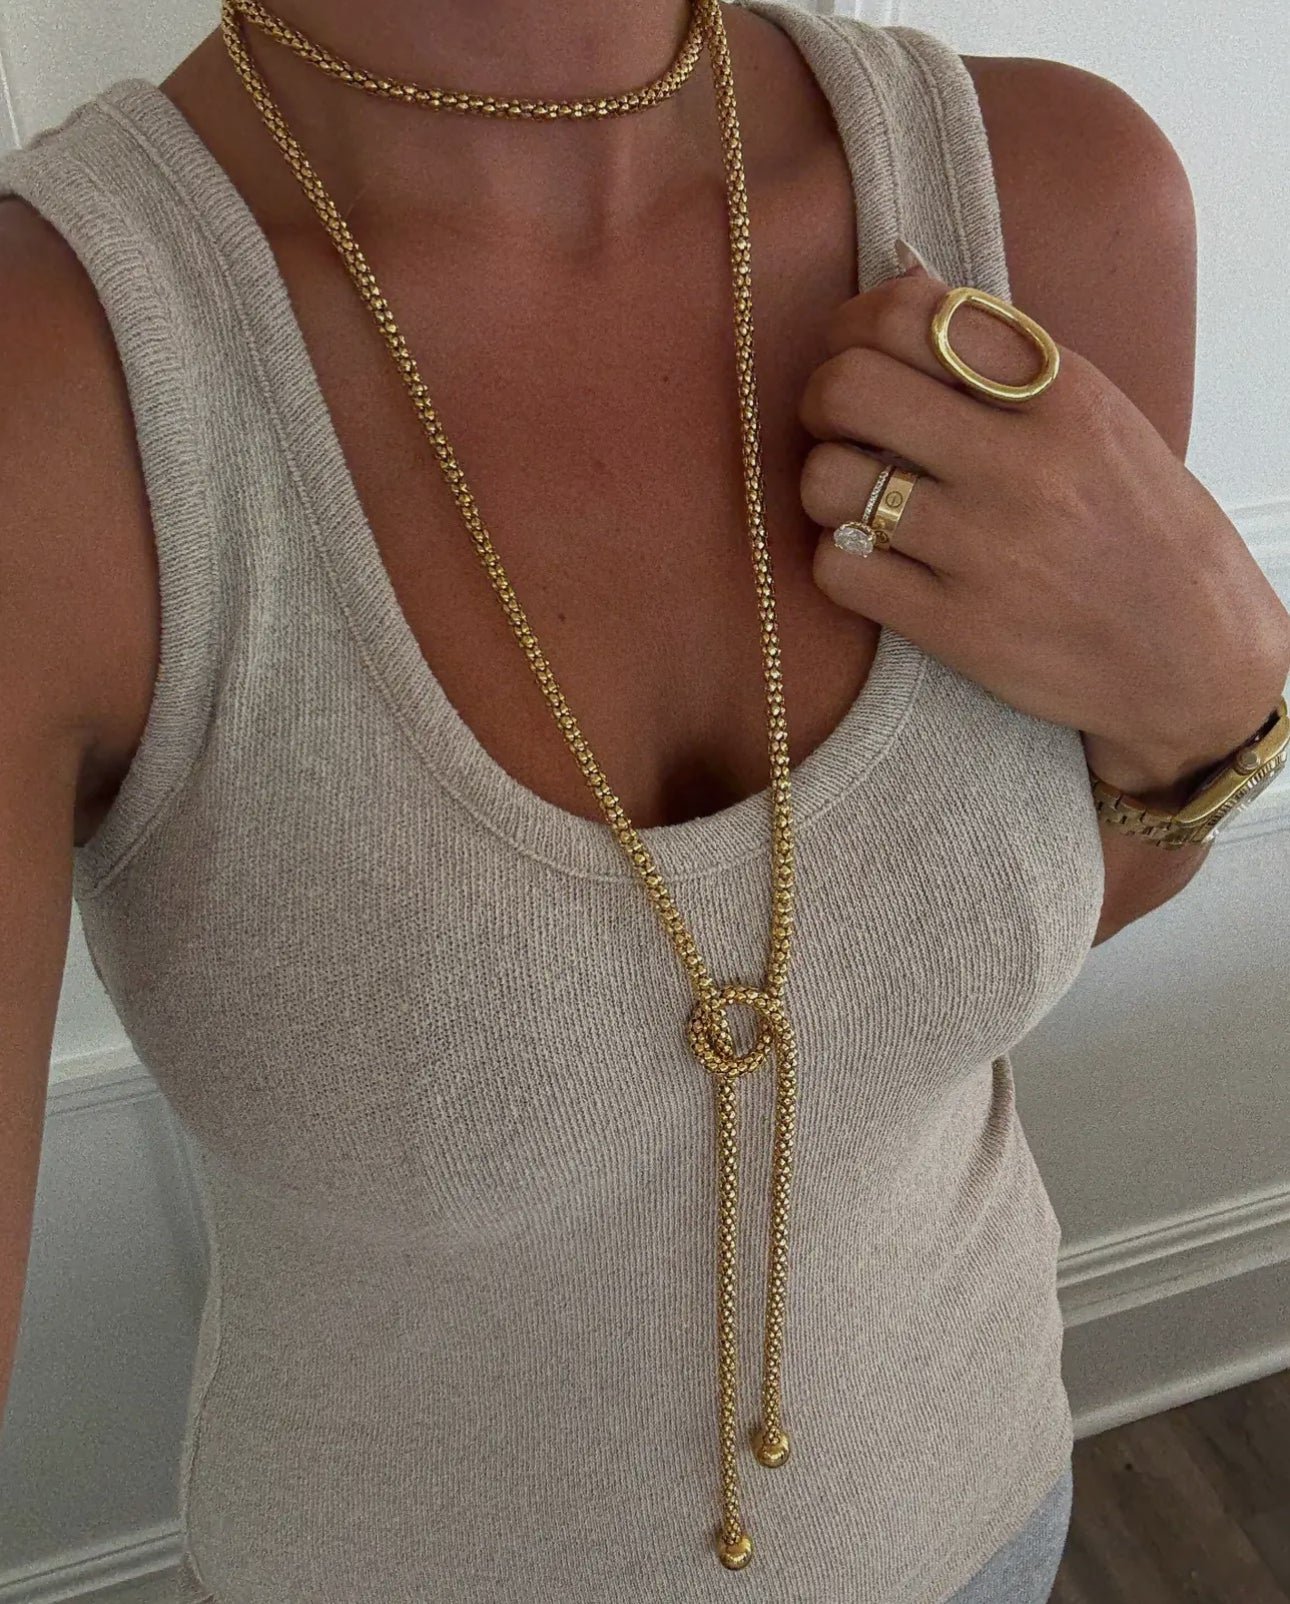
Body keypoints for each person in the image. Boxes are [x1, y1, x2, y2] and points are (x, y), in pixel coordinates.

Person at [1, 1, 1285, 1600]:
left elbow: (1046, 893)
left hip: (981, 1518)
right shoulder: (55, 386)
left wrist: (1220, 710)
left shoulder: (1051, 204)